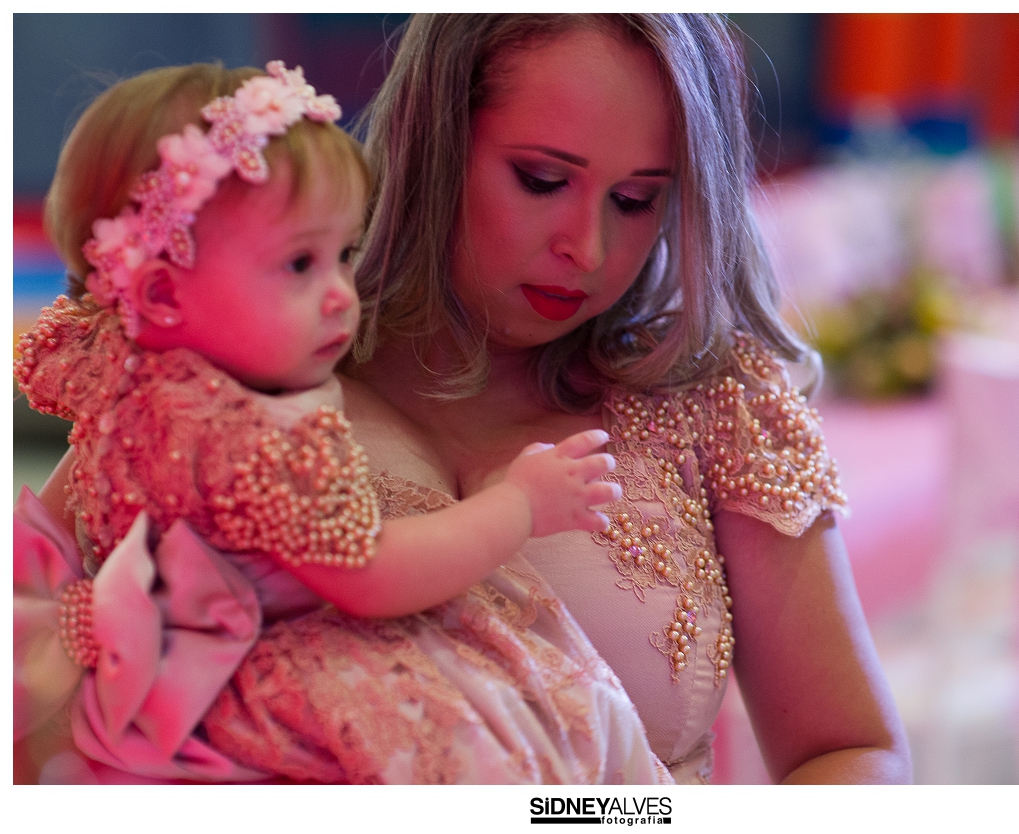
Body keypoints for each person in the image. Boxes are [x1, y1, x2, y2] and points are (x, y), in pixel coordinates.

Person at [14, 60, 670, 785]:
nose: (339, 295)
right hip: (278, 689)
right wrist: (517, 504)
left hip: (154, 689)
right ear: (163, 294)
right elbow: (373, 575)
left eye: (344, 254)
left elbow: (50, 533)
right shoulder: (255, 437)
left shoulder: (118, 372)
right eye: (300, 263)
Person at [331, 13, 912, 784]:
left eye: (636, 199)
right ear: (432, 136)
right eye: (542, 180)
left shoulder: (713, 399)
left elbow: (853, 751)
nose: (588, 248)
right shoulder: (255, 382)